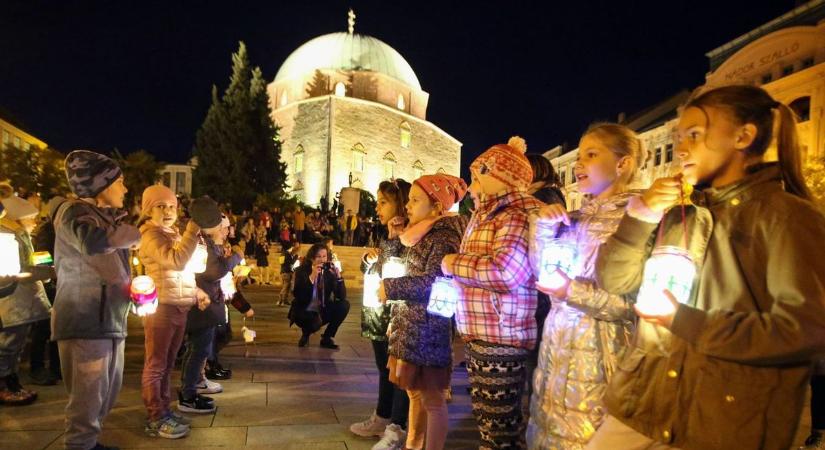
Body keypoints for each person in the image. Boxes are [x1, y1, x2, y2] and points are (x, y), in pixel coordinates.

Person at [586, 85, 825, 450]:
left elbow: (805, 330)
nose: (681, 149)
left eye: (695, 135)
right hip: (645, 400)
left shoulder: (786, 217)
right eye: (679, 138)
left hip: (724, 418)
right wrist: (640, 215)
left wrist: (685, 320)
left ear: (743, 137)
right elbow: (615, 281)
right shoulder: (681, 215)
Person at [527, 124, 643, 449]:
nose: (578, 165)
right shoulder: (573, 218)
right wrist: (543, 228)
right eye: (578, 156)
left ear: (623, 164)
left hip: (603, 360)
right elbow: (541, 271)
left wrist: (572, 292)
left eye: (591, 155)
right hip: (556, 353)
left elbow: (632, 304)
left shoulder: (636, 221)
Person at [441, 136, 544, 449]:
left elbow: (506, 272)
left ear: (500, 178)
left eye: (477, 178)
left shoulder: (513, 214)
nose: (472, 188)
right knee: (489, 422)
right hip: (484, 332)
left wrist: (454, 263)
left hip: (501, 336)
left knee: (499, 427)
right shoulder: (488, 214)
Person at [52, 150, 140, 450]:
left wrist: (135, 293)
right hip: (85, 320)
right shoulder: (73, 213)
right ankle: (80, 445)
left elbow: (112, 270)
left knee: (105, 393)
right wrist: (132, 235)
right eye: (120, 182)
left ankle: (89, 443)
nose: (125, 189)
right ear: (100, 185)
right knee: (87, 397)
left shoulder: (104, 218)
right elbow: (92, 242)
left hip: (109, 319)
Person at [379, 174, 468, 450]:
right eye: (409, 200)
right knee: (416, 395)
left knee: (433, 400)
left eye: (415, 200)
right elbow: (395, 265)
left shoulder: (442, 237)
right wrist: (394, 238)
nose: (408, 205)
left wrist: (390, 288)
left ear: (437, 207)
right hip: (410, 328)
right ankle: (413, 444)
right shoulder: (417, 233)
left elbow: (433, 281)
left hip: (428, 331)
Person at [138, 184, 211, 439]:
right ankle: (155, 417)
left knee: (168, 364)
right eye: (161, 206)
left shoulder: (172, 233)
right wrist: (192, 230)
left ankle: (165, 410)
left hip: (179, 305)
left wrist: (195, 292)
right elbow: (176, 261)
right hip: (162, 308)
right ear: (148, 210)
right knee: (156, 364)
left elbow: (185, 270)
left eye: (172, 206)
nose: (168, 211)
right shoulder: (151, 235)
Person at [350, 179, 412, 449]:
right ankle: (382, 417)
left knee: (396, 372)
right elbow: (377, 267)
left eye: (383, 202)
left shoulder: (409, 235)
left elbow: (396, 266)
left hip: (394, 313)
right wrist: (367, 260)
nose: (377, 207)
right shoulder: (384, 232)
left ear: (401, 203)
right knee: (383, 368)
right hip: (377, 310)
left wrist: (390, 243)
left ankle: (395, 425)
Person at [179, 197, 235, 414]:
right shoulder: (199, 242)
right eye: (219, 224)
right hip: (201, 304)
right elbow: (213, 271)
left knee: (200, 349)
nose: (223, 229)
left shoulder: (204, 241)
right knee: (198, 349)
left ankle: (193, 386)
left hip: (205, 301)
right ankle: (188, 394)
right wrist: (236, 258)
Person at [522, 153, 566, 403]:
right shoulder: (550, 196)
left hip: (538, 291)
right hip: (544, 291)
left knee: (535, 359)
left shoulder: (541, 198)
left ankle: (533, 407)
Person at [0, 194, 51, 405]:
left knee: (17, 346)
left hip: (23, 300)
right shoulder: (7, 236)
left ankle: (12, 383)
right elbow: (13, 271)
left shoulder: (20, 235)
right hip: (13, 300)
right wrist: (43, 272)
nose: (35, 222)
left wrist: (42, 267)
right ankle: (4, 386)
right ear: (18, 218)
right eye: (31, 218)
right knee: (8, 345)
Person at [28, 196, 63, 386]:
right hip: (50, 285)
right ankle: (37, 367)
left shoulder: (61, 229)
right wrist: (50, 276)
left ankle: (57, 367)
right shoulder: (48, 230)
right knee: (43, 328)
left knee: (57, 328)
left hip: (60, 283)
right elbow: (42, 257)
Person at [288, 243, 350, 349]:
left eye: (324, 256)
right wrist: (312, 277)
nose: (322, 260)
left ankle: (327, 337)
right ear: (312, 258)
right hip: (304, 310)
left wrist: (339, 278)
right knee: (308, 318)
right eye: (318, 256)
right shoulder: (301, 271)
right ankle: (306, 333)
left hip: (322, 309)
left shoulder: (329, 272)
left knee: (344, 305)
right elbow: (298, 295)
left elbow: (341, 296)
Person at [278, 240, 301, 306]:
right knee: (285, 287)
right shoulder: (287, 254)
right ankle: (280, 300)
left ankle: (285, 300)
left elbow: (281, 263)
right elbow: (290, 263)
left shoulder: (283, 254)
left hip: (285, 271)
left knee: (287, 287)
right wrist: (296, 257)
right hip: (286, 272)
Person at [254, 220, 271, 285]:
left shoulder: (265, 246)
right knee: (260, 272)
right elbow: (257, 253)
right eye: (262, 240)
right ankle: (261, 281)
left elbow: (268, 253)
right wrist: (262, 249)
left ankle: (267, 281)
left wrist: (265, 249)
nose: (263, 240)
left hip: (265, 259)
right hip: (260, 259)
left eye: (264, 240)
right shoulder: (258, 246)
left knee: (267, 270)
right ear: (260, 240)